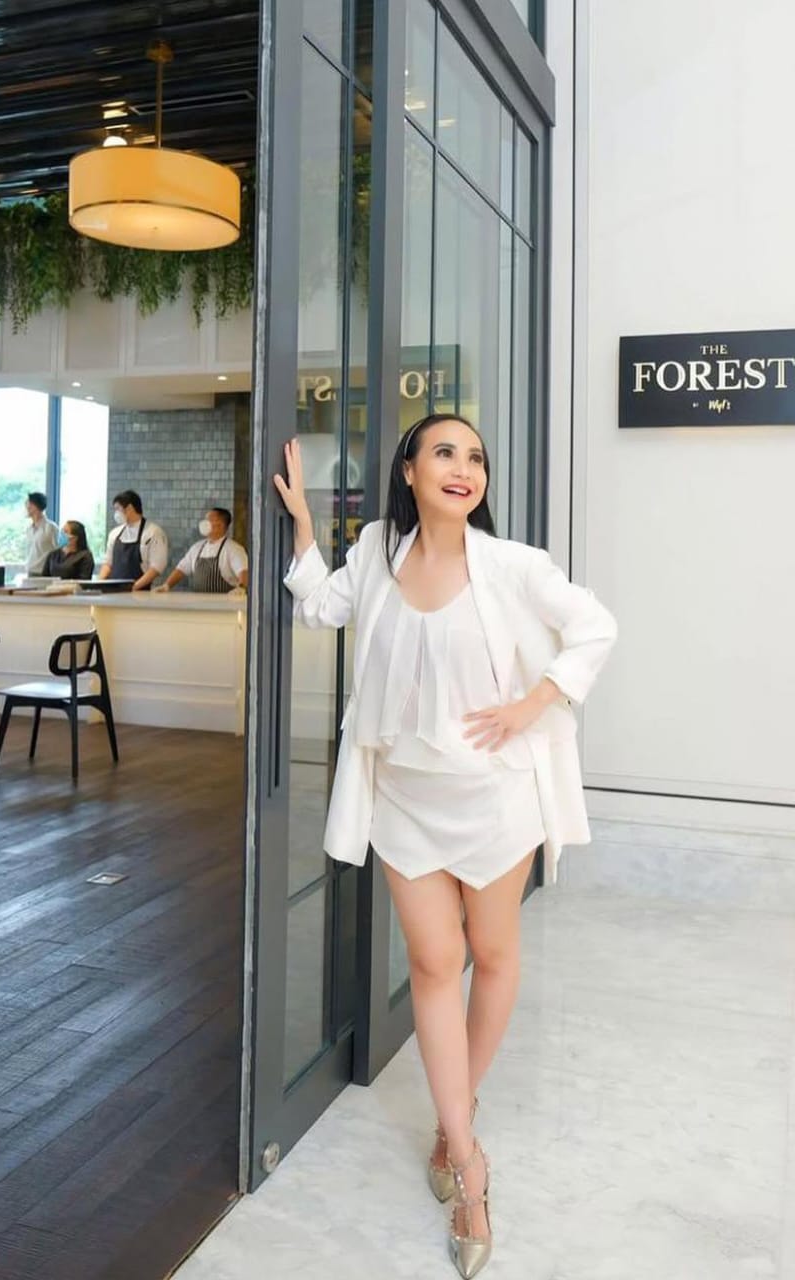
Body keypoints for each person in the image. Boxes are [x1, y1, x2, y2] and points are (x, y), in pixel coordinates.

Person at [274, 415, 617, 1279]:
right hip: (405, 798)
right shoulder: (375, 552)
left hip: (493, 796)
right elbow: (321, 608)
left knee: (491, 956)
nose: (463, 468)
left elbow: (595, 628)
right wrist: (305, 528)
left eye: (475, 458)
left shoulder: (512, 565)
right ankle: (466, 1162)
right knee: (434, 964)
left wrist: (534, 703)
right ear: (408, 470)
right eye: (444, 452)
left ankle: (450, 1116)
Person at [158, 507, 248, 594]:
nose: (204, 523)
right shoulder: (197, 547)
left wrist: (241, 588)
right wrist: (166, 585)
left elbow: (243, 571)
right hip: (199, 602)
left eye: (209, 520)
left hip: (224, 603)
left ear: (221, 525)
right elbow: (181, 569)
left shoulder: (234, 549)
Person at [100, 490, 168, 591]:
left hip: (140, 594)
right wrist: (99, 583)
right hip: (114, 592)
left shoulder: (153, 532)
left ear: (130, 508)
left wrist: (133, 587)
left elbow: (157, 567)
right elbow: (108, 563)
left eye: (118, 509)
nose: (116, 514)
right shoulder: (114, 534)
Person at [24, 492, 60, 576]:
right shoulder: (29, 529)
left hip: (45, 573)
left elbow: (59, 550)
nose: (27, 507)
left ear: (36, 506)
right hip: (30, 571)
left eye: (29, 504)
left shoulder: (51, 527)